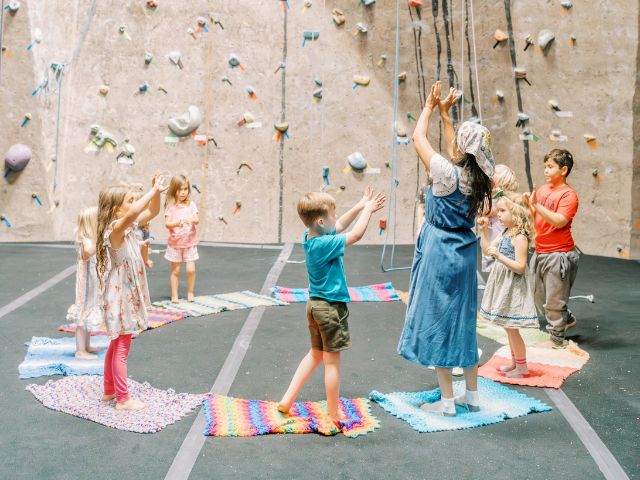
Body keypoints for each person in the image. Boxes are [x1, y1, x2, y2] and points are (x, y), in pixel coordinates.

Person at [398, 81, 494, 416]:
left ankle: (448, 403)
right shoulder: (478, 179)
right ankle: (472, 395)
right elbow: (457, 150)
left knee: (439, 320)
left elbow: (416, 139)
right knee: (464, 320)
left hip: (440, 250)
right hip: (465, 252)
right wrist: (446, 115)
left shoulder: (444, 173)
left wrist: (428, 106)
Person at [278, 187, 385, 426]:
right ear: (319, 220)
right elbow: (355, 234)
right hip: (330, 309)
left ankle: (287, 400)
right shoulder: (325, 244)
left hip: (314, 306)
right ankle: (333, 415)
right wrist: (368, 210)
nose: (336, 219)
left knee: (315, 354)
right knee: (332, 362)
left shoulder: (310, 237)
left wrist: (359, 205)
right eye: (333, 215)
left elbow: (339, 226)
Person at [96, 174, 167, 410]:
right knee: (122, 346)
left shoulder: (128, 229)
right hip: (120, 297)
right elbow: (134, 213)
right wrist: (152, 188)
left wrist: (157, 192)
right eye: (129, 200)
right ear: (116, 209)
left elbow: (153, 212)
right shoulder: (115, 229)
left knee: (116, 343)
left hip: (123, 294)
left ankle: (109, 391)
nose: (134, 203)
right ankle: (123, 399)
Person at [478, 192, 538, 378]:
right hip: (504, 284)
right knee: (508, 327)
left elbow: (520, 267)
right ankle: (515, 363)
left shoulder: (519, 237)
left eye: (503, 210)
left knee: (513, 328)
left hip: (513, 287)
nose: (499, 214)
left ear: (517, 213)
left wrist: (500, 256)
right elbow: (488, 250)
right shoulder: (505, 232)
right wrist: (484, 230)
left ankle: (522, 367)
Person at [524, 149, 579, 348]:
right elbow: (537, 217)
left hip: (560, 254)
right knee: (538, 295)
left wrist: (536, 206)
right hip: (540, 252)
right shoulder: (543, 190)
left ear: (563, 170)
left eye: (550, 167)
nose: (546, 170)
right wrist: (529, 205)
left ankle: (557, 338)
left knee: (554, 301)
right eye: (545, 166)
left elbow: (559, 221)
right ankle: (567, 317)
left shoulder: (568, 195)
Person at [66, 206, 104, 359]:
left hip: (93, 285)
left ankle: (86, 346)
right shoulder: (87, 240)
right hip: (87, 286)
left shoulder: (92, 238)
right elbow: (88, 251)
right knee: (83, 314)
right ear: (91, 223)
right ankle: (80, 350)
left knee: (88, 312)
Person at [164, 175, 199, 302]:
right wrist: (177, 223)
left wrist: (190, 220)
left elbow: (196, 219)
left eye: (185, 189)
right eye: (180, 189)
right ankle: (174, 295)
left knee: (191, 269)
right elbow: (167, 223)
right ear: (174, 190)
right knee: (176, 270)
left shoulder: (191, 205)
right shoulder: (171, 206)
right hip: (175, 244)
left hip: (189, 243)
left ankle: (190, 292)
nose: (183, 192)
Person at [482, 164, 519, 272]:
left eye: (494, 173)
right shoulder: (491, 196)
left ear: (503, 181)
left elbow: (486, 210)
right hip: (489, 242)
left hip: (502, 245)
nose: (489, 174)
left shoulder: (504, 200)